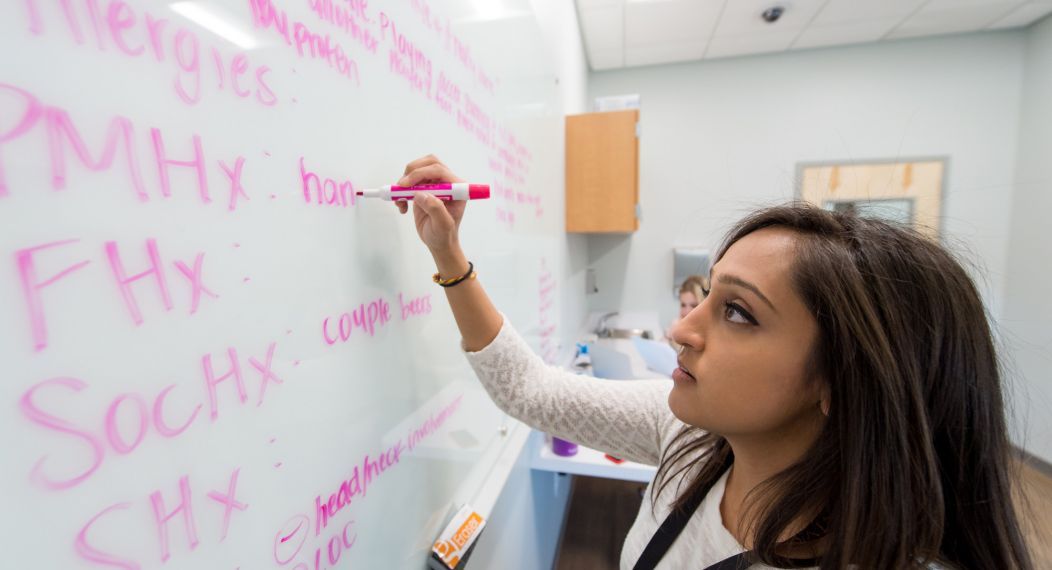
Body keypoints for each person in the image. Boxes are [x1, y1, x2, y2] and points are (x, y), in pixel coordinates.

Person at [393, 155, 1033, 569]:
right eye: (707, 294)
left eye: (737, 313)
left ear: (843, 380)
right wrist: (448, 252)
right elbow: (532, 392)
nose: (680, 330)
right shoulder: (695, 441)